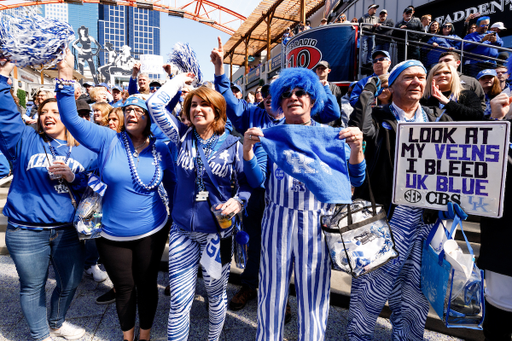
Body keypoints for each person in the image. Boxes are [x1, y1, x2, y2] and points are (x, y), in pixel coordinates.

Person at [211, 37, 341, 317]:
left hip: (297, 198)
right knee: (259, 242)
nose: (275, 97)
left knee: (296, 253)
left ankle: (284, 297)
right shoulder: (251, 116)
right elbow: (228, 100)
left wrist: (319, 82)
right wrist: (221, 69)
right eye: (271, 92)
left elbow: (331, 112)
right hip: (259, 192)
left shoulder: (298, 117)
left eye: (280, 92)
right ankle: (250, 285)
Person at [57, 51, 175, 341]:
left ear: (150, 119)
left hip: (152, 230)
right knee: (124, 289)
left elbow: (174, 184)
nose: (133, 113)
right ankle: (127, 337)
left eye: (140, 111)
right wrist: (65, 77)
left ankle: (144, 337)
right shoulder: (109, 139)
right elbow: (71, 119)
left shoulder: (162, 148)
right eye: (128, 110)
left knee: (147, 286)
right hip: (111, 233)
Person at [242, 67, 365, 341]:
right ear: (278, 101)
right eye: (285, 94)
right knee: (271, 292)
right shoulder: (269, 135)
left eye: (301, 92)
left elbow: (356, 178)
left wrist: (356, 149)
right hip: (276, 219)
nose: (293, 97)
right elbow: (256, 179)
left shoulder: (330, 136)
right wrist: (248, 152)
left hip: (317, 223)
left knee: (315, 294)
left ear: (313, 99)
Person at [347, 60, 452, 339]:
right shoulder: (380, 118)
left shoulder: (437, 118)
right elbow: (357, 128)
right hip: (386, 220)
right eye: (408, 78)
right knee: (368, 292)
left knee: (414, 295)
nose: (416, 81)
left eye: (421, 76)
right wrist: (371, 85)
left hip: (426, 221)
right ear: (391, 86)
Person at [147, 72, 251, 341]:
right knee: (180, 301)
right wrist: (179, 79)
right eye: (193, 105)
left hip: (217, 233)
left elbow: (248, 184)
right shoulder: (181, 136)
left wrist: (238, 201)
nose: (197, 109)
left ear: (217, 111)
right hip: (182, 231)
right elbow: (156, 104)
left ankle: (213, 339)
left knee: (215, 295)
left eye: (204, 104)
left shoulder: (233, 145)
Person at [0, 60, 97, 341]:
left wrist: (73, 178)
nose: (48, 116)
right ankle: (40, 334)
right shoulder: (25, 139)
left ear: (68, 115)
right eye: (44, 112)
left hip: (67, 232)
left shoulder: (86, 150)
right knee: (32, 286)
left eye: (56, 111)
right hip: (27, 231)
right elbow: (5, 115)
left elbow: (92, 190)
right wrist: (3, 75)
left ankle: (57, 321)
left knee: (70, 282)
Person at [478, 89, 512, 341]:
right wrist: (496, 123)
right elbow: (484, 170)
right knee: (500, 319)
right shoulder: (503, 123)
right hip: (504, 242)